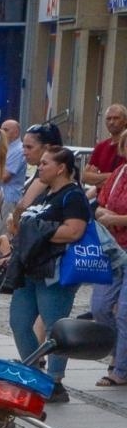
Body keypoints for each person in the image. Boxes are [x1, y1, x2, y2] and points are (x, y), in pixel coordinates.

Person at [0, 146, 89, 404]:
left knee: (56, 327)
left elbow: (75, 231)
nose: (40, 167)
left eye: (45, 163)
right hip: (30, 268)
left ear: (61, 168)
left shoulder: (73, 197)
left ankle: (55, 382)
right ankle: (34, 374)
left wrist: (39, 233)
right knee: (19, 321)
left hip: (54, 271)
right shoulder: (45, 194)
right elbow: (27, 227)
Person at [89, 149, 127, 389]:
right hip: (113, 250)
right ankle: (117, 353)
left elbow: (110, 216)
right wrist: (107, 214)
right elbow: (99, 205)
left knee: (124, 312)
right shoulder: (119, 173)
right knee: (100, 307)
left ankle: (120, 367)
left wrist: (117, 219)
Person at [82, 104, 127, 187]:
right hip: (102, 197)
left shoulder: (125, 146)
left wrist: (97, 179)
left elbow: (124, 178)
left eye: (116, 118)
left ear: (125, 121)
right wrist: (112, 176)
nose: (111, 122)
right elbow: (85, 177)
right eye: (108, 119)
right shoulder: (101, 146)